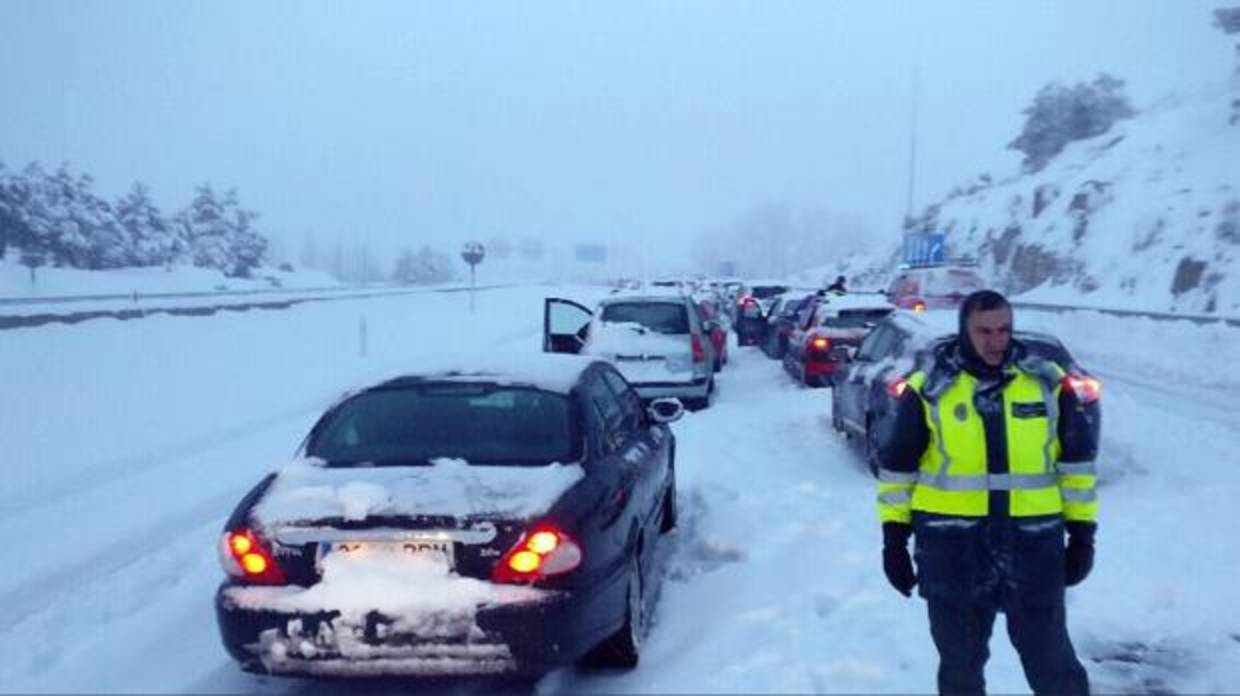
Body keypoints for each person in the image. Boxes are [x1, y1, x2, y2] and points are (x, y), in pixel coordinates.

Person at [875, 289, 1100, 695]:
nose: (997, 340)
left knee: (1054, 666)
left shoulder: (1046, 384)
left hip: (1033, 545)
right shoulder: (930, 390)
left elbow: (1077, 466)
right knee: (960, 669)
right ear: (965, 330)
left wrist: (1083, 535)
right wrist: (894, 541)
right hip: (952, 550)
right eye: (985, 331)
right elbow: (898, 471)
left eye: (1004, 329)